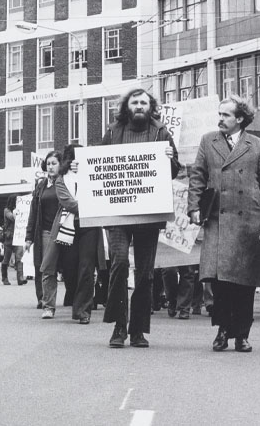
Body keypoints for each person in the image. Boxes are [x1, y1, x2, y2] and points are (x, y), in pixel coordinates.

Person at [188, 95, 260, 353]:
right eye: (219, 114)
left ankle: (241, 334)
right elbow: (198, 176)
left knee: (245, 282)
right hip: (218, 217)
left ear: (240, 119)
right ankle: (222, 330)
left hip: (248, 220)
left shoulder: (256, 145)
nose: (220, 119)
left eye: (225, 115)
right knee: (219, 282)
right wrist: (193, 207)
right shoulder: (208, 141)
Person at [96, 89, 180, 348]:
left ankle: (138, 330)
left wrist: (170, 160)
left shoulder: (161, 132)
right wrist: (79, 167)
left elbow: (174, 171)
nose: (140, 105)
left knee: (145, 273)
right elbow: (96, 166)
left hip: (149, 212)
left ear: (150, 106)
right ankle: (119, 326)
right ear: (127, 106)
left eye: (144, 102)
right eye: (135, 102)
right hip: (118, 212)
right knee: (119, 264)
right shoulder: (112, 132)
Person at [55, 144, 105, 324]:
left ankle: (83, 310)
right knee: (70, 269)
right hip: (69, 227)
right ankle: (77, 302)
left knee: (87, 267)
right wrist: (88, 207)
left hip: (89, 227)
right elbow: (66, 202)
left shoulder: (90, 174)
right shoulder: (61, 180)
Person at [25, 151, 62, 310]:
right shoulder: (40, 186)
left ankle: (76, 302)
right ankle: (46, 303)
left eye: (54, 163)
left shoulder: (66, 182)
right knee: (46, 268)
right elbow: (33, 212)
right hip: (46, 232)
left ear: (61, 165)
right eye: (48, 164)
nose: (51, 167)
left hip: (65, 230)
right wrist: (28, 237)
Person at [1, 197, 27, 286]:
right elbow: (12, 217)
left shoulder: (19, 210)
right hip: (9, 237)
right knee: (6, 259)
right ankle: (4, 278)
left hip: (18, 237)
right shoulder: (6, 210)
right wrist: (17, 211)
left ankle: (20, 278)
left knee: (19, 259)